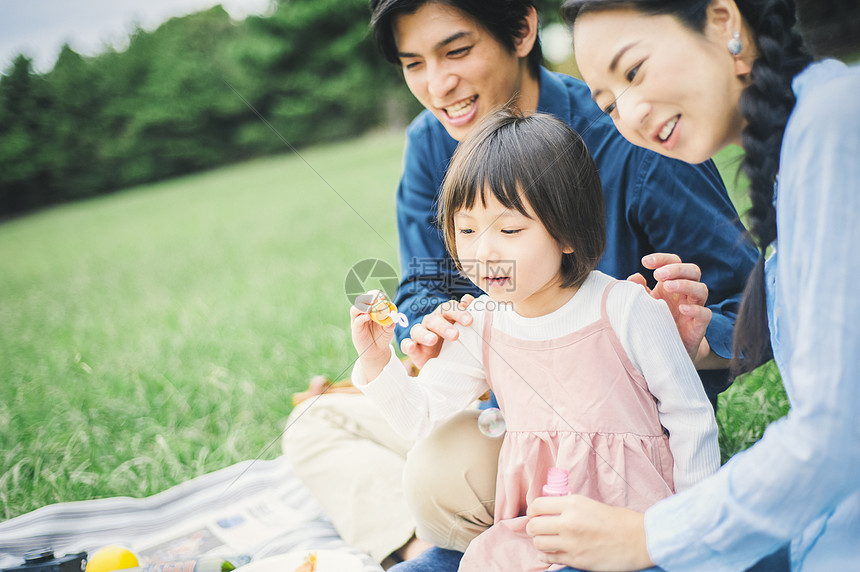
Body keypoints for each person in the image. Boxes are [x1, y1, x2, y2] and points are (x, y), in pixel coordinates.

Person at [281, 0, 756, 566]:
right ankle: (417, 546)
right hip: (495, 397)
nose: (439, 84)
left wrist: (697, 342)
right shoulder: (431, 144)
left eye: (457, 50)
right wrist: (421, 336)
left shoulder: (633, 131)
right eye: (414, 64)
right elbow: (422, 289)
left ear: (524, 29)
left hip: (623, 433)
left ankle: (460, 540)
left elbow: (755, 302)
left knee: (435, 476)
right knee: (316, 421)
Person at [520, 0, 860, 570]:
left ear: (723, 21)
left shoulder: (833, 123)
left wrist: (646, 538)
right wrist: (697, 346)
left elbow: (834, 436)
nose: (628, 115)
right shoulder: (800, 144)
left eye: (633, 72)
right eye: (607, 104)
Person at [350, 109, 720, 572]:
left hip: (634, 530)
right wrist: (375, 358)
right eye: (466, 230)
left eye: (509, 230)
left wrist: (693, 534)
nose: (483, 251)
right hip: (537, 537)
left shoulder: (625, 308)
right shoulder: (481, 324)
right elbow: (418, 417)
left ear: (566, 232)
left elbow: (690, 418)